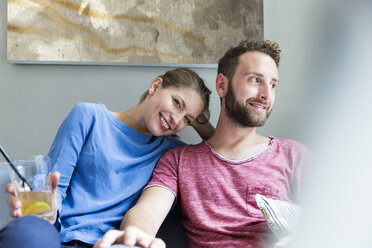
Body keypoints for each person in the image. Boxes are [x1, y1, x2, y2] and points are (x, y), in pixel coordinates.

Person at [93, 40, 310, 248]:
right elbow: (148, 210)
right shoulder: (179, 160)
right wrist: (137, 233)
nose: (266, 94)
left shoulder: (293, 155)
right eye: (256, 80)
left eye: (273, 85)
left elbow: (337, 216)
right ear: (222, 85)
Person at [2, 67, 213, 248]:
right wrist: (48, 209)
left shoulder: (173, 153)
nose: (176, 120)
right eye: (177, 103)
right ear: (155, 86)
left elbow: (221, 151)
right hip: (59, 238)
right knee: (28, 232)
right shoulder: (89, 116)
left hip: (111, 244)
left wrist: (201, 122)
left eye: (187, 119)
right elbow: (55, 189)